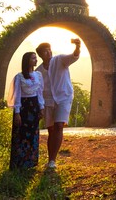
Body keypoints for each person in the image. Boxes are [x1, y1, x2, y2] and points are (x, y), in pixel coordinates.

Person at [36, 37, 81, 169]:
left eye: (49, 50)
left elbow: (74, 57)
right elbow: (38, 90)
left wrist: (77, 47)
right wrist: (40, 106)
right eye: (45, 51)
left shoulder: (60, 60)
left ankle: (52, 161)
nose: (48, 53)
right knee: (51, 130)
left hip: (63, 97)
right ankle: (50, 158)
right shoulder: (38, 71)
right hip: (48, 100)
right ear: (40, 55)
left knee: (59, 126)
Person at [6, 51, 44, 170]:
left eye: (36, 58)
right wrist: (17, 112)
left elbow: (40, 92)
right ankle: (19, 163)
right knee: (21, 133)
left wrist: (41, 107)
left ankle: (31, 162)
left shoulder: (38, 75)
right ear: (27, 60)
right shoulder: (20, 77)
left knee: (33, 133)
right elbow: (17, 95)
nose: (36, 60)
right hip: (23, 107)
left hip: (34, 107)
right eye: (33, 58)